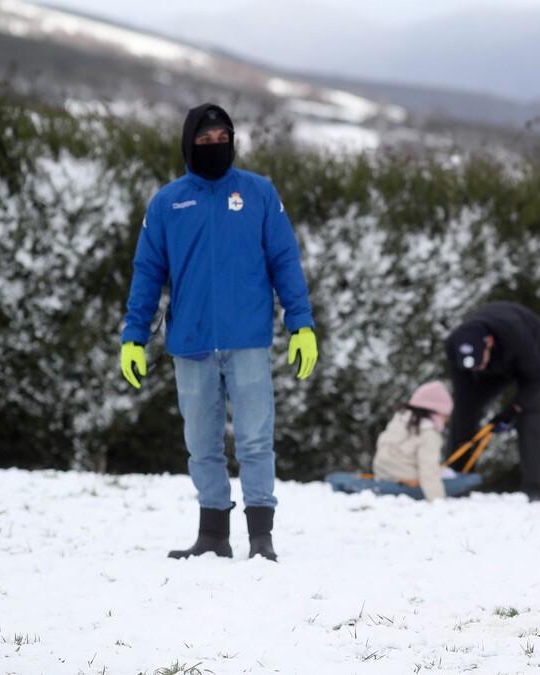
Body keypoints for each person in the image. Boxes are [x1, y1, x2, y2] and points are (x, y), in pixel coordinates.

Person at [119, 103, 317, 562]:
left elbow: (285, 261)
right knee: (202, 444)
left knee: (253, 440)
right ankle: (212, 536)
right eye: (205, 140)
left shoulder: (259, 194)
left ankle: (261, 538)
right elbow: (148, 273)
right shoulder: (168, 202)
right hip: (190, 343)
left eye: (221, 138)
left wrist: (301, 324)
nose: (214, 146)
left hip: (248, 339)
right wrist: (134, 336)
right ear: (189, 145)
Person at [444, 302, 540, 502]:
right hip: (496, 366)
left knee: (529, 416)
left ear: (489, 343)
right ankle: (457, 479)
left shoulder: (515, 335)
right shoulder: (454, 345)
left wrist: (512, 409)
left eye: (480, 363)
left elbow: (538, 378)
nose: (476, 370)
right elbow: (464, 399)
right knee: (464, 413)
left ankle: (538, 490)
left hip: (533, 359)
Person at [369, 381, 482, 500]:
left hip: (382, 471)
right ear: (437, 412)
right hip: (407, 476)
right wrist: (437, 499)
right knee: (446, 474)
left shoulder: (400, 418)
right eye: (445, 415)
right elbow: (428, 468)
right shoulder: (429, 433)